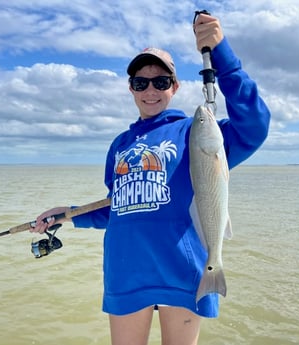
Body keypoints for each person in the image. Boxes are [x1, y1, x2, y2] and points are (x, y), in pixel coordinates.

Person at [31, 13, 270, 345]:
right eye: (141, 82)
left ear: (175, 85)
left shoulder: (197, 131)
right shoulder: (120, 145)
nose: (150, 90)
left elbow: (254, 127)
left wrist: (223, 56)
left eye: (160, 81)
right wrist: (68, 213)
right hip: (126, 269)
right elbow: (120, 207)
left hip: (182, 268)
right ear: (130, 87)